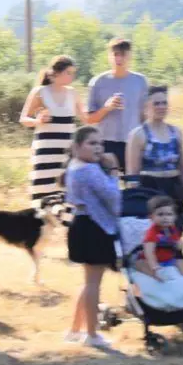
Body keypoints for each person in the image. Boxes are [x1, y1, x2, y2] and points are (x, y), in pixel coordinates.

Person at [61, 125, 121, 348]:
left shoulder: (74, 166)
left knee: (88, 283)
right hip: (94, 227)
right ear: (77, 147)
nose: (98, 148)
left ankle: (75, 330)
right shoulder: (89, 170)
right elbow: (114, 198)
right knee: (94, 284)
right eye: (92, 143)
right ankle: (92, 334)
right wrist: (113, 170)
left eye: (100, 144)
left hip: (82, 224)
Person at [125, 85, 183, 233]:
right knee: (153, 236)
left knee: (175, 234)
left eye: (164, 103)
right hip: (149, 190)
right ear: (147, 106)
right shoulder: (138, 134)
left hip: (174, 189)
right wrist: (135, 204)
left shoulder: (176, 132)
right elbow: (133, 174)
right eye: (156, 103)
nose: (161, 107)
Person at [20, 55, 79, 213]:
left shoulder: (73, 93)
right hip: (45, 153)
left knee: (67, 198)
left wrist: (107, 108)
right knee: (41, 199)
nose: (72, 76)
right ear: (56, 73)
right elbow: (24, 118)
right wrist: (38, 121)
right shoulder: (40, 92)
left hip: (66, 154)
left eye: (73, 73)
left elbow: (87, 118)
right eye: (68, 72)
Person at [85, 38, 149, 171]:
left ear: (130, 56)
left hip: (133, 142)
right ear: (109, 56)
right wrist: (106, 108)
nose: (119, 58)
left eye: (123, 54)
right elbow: (89, 119)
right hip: (105, 143)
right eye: (115, 54)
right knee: (106, 182)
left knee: (133, 182)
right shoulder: (97, 82)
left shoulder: (140, 81)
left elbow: (145, 116)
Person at [138, 195, 183, 289]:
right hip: (154, 262)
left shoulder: (172, 229)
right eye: (160, 215)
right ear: (151, 217)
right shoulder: (152, 232)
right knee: (143, 264)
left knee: (179, 262)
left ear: (175, 217)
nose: (165, 218)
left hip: (168, 259)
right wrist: (154, 266)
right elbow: (149, 251)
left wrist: (179, 244)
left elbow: (176, 242)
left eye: (169, 215)